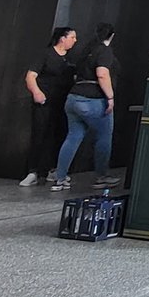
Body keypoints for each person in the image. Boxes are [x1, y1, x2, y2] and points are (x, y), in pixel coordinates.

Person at [53, 23, 120, 191]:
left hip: (73, 98)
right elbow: (102, 74)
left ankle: (60, 178)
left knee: (73, 136)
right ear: (111, 36)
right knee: (104, 136)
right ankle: (102, 176)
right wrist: (110, 97)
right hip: (93, 99)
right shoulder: (104, 51)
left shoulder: (85, 51)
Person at [20, 26, 76, 187]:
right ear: (62, 38)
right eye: (72, 37)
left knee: (60, 135)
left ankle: (55, 170)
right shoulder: (46, 54)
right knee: (39, 134)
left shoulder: (71, 59)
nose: (75, 40)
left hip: (63, 103)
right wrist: (37, 92)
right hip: (44, 102)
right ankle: (33, 171)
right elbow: (30, 76)